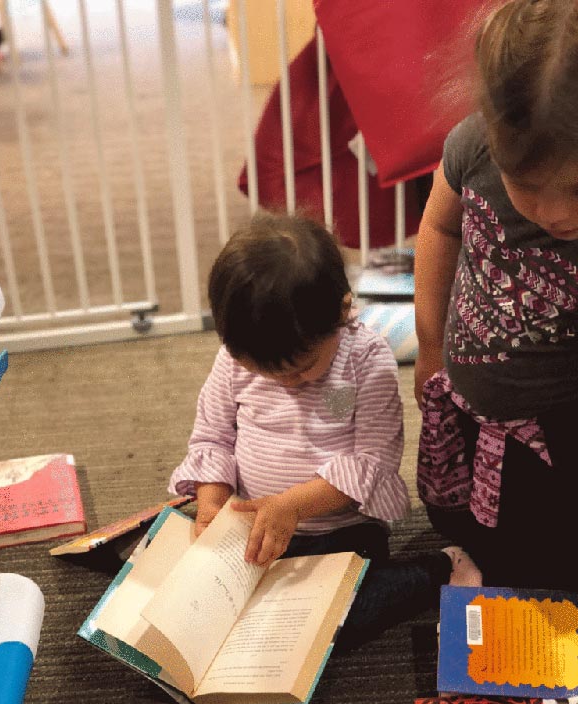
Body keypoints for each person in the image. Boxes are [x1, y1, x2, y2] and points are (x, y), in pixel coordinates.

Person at [169, 211, 473, 640]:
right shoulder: (234, 360)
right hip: (256, 526)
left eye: (301, 369)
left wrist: (292, 506)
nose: (284, 383)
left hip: (341, 531)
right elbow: (213, 437)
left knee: (337, 621)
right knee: (198, 598)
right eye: (264, 371)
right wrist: (210, 506)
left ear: (343, 312)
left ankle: (437, 568)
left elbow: (372, 463)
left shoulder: (365, 362)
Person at [414, 0, 578, 590]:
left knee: (548, 568)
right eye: (527, 187)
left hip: (561, 422)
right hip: (475, 406)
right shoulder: (474, 147)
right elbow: (438, 228)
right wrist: (430, 346)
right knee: (479, 534)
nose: (557, 213)